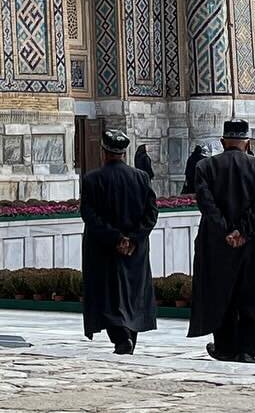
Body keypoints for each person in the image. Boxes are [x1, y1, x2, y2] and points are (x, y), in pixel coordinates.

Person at [188, 118, 255, 363]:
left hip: (219, 245)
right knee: (254, 294)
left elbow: (207, 204)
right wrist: (243, 231)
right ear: (247, 142)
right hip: (254, 244)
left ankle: (226, 347)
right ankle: (249, 349)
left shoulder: (205, 168)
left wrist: (226, 232)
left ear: (222, 141)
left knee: (222, 294)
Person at [81, 129, 159, 355]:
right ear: (125, 153)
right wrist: (133, 238)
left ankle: (121, 338)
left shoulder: (93, 179)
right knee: (132, 293)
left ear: (103, 151)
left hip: (104, 248)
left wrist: (115, 238)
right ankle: (129, 336)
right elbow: (151, 214)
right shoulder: (141, 178)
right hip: (135, 250)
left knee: (107, 294)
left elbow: (89, 214)